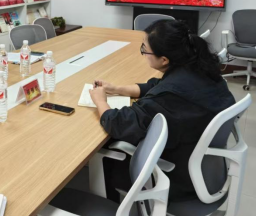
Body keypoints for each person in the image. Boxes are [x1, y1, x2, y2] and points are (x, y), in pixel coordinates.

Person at [90, 20, 235, 202]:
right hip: (200, 162)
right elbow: (157, 86)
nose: (143, 54)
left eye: (145, 50)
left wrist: (100, 101)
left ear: (164, 60)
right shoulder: (197, 68)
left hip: (178, 178)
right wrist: (117, 89)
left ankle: (111, 205)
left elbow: (119, 123)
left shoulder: (170, 96)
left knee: (105, 146)